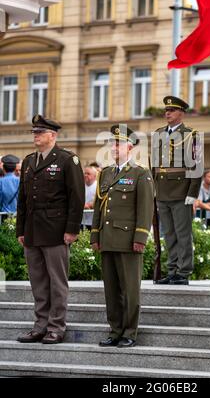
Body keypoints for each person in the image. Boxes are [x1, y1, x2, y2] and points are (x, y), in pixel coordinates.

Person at [16, 114, 85, 345]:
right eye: (34, 132)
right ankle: (40, 325)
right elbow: (23, 199)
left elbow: (76, 197)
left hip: (56, 230)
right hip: (33, 230)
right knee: (38, 281)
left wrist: (72, 229)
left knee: (57, 281)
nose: (35, 136)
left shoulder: (67, 160)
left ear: (52, 136)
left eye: (39, 132)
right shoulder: (28, 161)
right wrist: (20, 230)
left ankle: (56, 327)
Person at [91, 124, 154, 348]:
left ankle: (130, 331)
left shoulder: (140, 173)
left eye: (118, 143)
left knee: (129, 289)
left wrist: (140, 238)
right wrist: (95, 236)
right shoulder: (106, 173)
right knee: (111, 289)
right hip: (107, 239)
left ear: (130, 147)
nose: (114, 147)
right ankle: (115, 330)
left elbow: (145, 209)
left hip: (128, 241)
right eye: (112, 143)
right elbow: (99, 206)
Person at [153, 96, 201, 285]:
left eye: (172, 110)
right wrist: (154, 190)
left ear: (181, 113)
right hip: (162, 192)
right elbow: (154, 165)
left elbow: (196, 167)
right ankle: (172, 270)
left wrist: (192, 194)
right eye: (166, 110)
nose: (168, 113)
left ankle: (183, 272)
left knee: (183, 234)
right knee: (169, 234)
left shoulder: (191, 134)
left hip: (181, 192)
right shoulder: (158, 134)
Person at [82, 165, 98, 230]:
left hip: (93, 221)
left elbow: (99, 200)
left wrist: (90, 205)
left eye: (88, 174)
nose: (85, 175)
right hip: (82, 220)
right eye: (85, 173)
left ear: (94, 176)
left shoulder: (98, 186)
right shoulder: (80, 185)